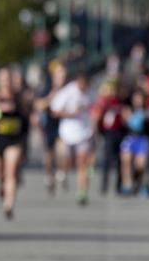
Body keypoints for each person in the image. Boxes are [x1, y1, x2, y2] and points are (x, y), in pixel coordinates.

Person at [51, 71, 95, 206]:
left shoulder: (91, 92)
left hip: (84, 133)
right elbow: (54, 111)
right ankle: (62, 173)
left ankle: (82, 192)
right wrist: (70, 113)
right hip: (68, 133)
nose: (84, 88)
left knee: (82, 163)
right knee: (69, 162)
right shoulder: (68, 92)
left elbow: (96, 107)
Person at [0, 67, 25, 220]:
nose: (6, 81)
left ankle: (8, 205)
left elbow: (28, 112)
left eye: (9, 78)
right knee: (0, 172)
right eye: (3, 78)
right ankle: (1, 184)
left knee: (11, 172)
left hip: (15, 139)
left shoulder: (20, 97)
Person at [35, 61, 67, 195]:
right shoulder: (47, 88)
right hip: (50, 125)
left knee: (63, 151)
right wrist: (51, 97)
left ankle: (61, 172)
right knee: (49, 154)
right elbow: (38, 105)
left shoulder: (69, 89)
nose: (62, 76)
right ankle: (49, 176)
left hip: (64, 125)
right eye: (59, 73)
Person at [92, 80, 125, 195]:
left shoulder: (122, 102)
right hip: (109, 133)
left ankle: (119, 185)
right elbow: (98, 117)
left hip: (120, 132)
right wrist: (98, 131)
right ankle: (104, 185)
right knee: (107, 160)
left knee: (120, 160)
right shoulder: (105, 102)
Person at [119, 88, 149, 197]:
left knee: (141, 165)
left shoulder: (147, 110)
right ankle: (127, 185)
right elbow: (129, 123)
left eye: (140, 98)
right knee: (126, 161)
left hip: (142, 139)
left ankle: (142, 184)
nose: (138, 100)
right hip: (130, 138)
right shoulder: (128, 110)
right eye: (136, 98)